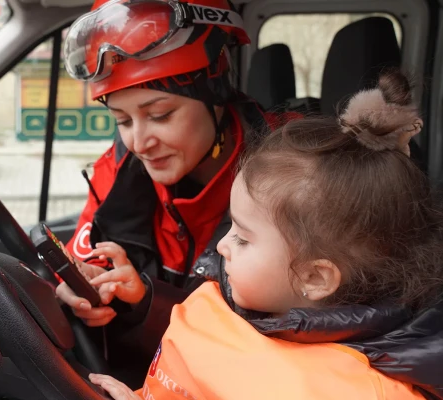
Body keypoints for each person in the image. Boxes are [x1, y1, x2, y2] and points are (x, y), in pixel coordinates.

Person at [87, 69, 443, 400]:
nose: (221, 246)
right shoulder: (257, 300)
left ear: (314, 277)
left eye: (242, 237)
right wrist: (146, 301)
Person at [58, 0, 300, 374]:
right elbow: (86, 258)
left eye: (160, 115)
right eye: (122, 120)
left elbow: (286, 342)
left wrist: (147, 302)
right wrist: (81, 287)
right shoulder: (120, 166)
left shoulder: (299, 169)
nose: (139, 142)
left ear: (215, 96)